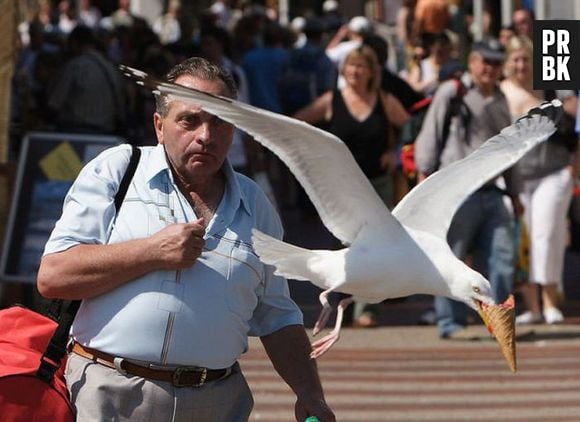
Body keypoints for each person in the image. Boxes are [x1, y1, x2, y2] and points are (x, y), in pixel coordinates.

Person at [37, 57, 335, 422]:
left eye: (219, 121)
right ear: (159, 126)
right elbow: (54, 276)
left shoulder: (255, 204)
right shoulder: (117, 171)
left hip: (216, 401)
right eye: (189, 120)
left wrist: (310, 393)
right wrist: (151, 252)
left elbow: (277, 313)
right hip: (111, 395)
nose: (205, 136)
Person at [294, 46, 409, 327]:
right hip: (341, 188)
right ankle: (340, 303)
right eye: (351, 66)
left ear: (372, 72)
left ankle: (366, 309)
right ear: (343, 70)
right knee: (344, 243)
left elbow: (410, 124)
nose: (356, 72)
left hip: (377, 184)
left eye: (362, 66)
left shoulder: (383, 100)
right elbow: (298, 122)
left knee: (376, 246)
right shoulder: (332, 100)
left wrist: (394, 153)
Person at [414, 38, 517, 339]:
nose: (490, 68)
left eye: (496, 63)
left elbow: (508, 147)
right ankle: (450, 323)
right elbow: (430, 135)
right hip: (454, 192)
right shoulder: (453, 91)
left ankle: (498, 322)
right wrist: (424, 180)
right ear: (472, 61)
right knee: (450, 259)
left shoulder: (501, 97)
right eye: (485, 61)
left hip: (492, 190)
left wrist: (515, 191)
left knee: (501, 258)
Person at [500, 36, 579, 325]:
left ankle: (549, 300)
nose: (522, 65)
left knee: (545, 235)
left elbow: (574, 129)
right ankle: (533, 305)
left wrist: (574, 168)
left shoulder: (550, 88)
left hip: (553, 171)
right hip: (517, 178)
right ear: (508, 63)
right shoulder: (501, 93)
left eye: (527, 59)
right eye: (516, 59)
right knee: (525, 239)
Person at [46, 25, 126, 135]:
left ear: (74, 43)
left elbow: (55, 103)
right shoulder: (110, 67)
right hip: (106, 134)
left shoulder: (74, 67)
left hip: (75, 133)